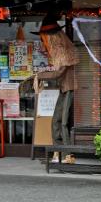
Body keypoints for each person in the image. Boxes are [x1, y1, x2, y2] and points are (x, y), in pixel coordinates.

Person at [31, 14, 78, 164]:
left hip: (69, 88)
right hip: (63, 89)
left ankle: (68, 155)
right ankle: (58, 153)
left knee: (63, 123)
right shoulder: (58, 50)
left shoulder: (62, 49)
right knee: (55, 122)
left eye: (44, 37)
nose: (43, 40)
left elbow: (59, 73)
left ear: (51, 36)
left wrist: (40, 75)